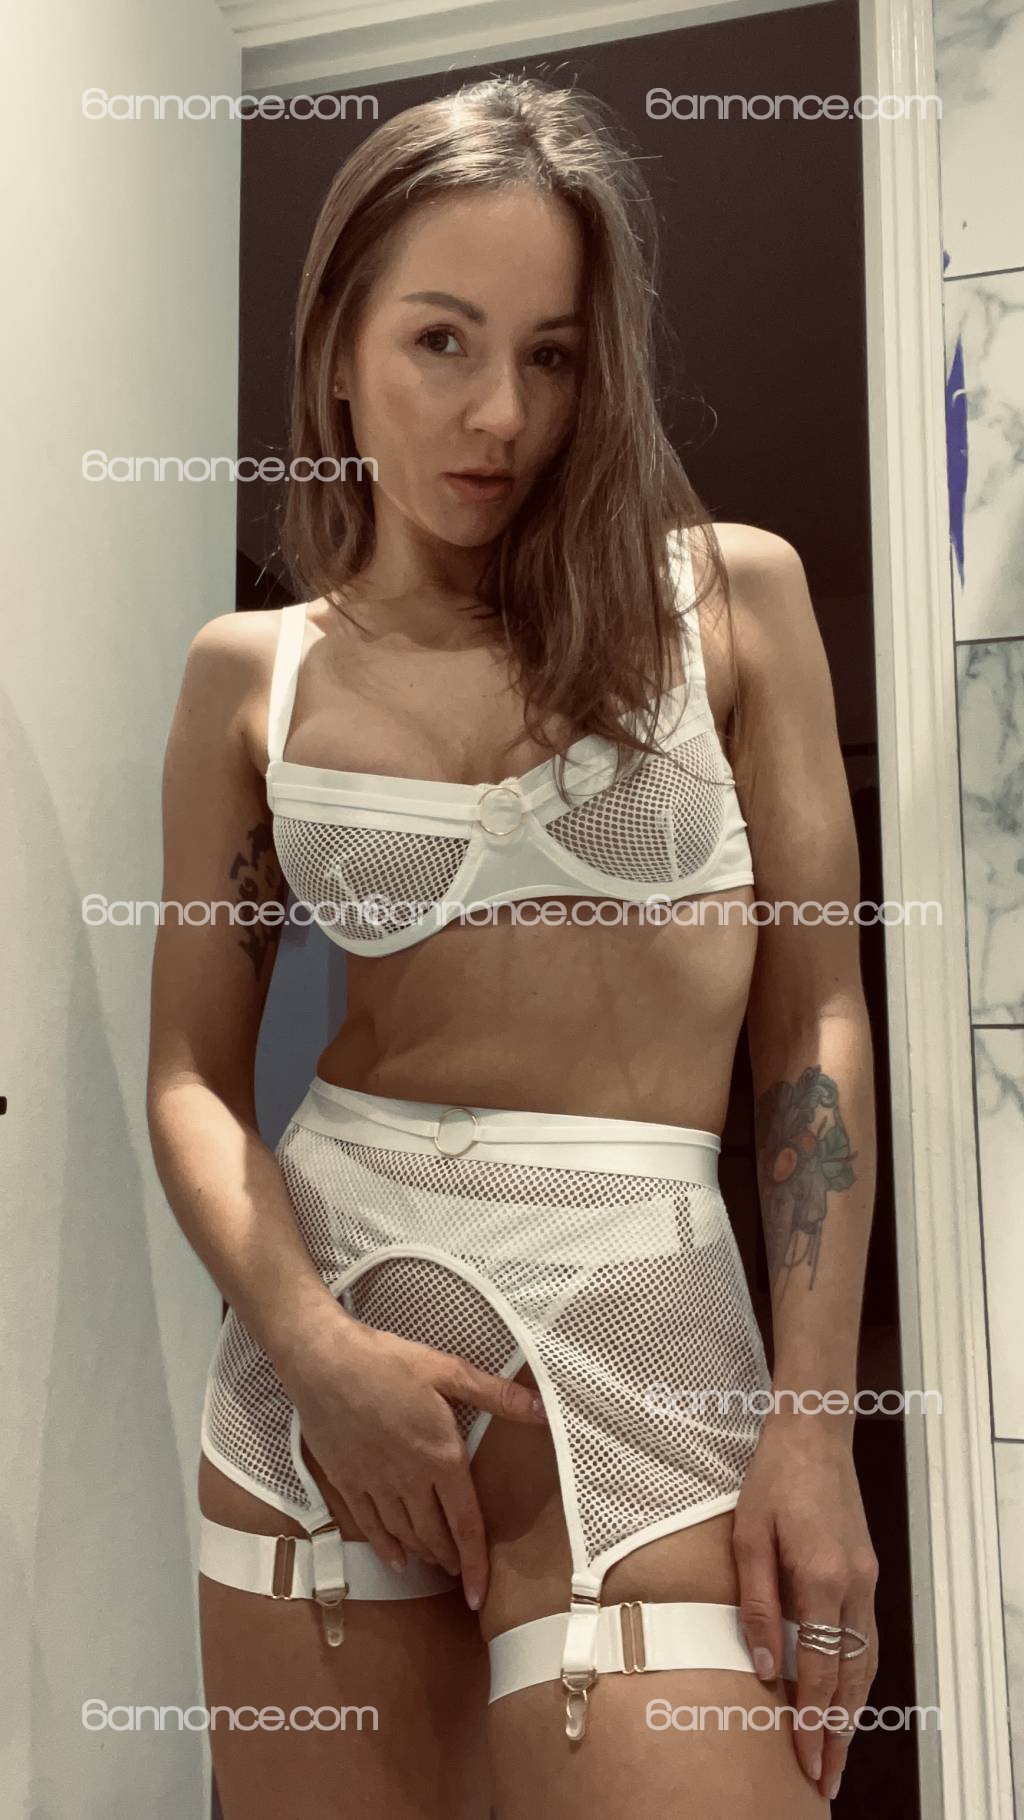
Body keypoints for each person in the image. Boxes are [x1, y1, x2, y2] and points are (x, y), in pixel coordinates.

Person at [147, 74, 879, 1820]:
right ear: (340, 352)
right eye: (442, 342)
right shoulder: (253, 676)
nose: (501, 414)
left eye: (551, 356)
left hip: (647, 1333)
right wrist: (309, 1347)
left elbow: (814, 1026)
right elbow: (190, 1075)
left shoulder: (732, 602)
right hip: (326, 1367)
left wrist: (815, 1424)